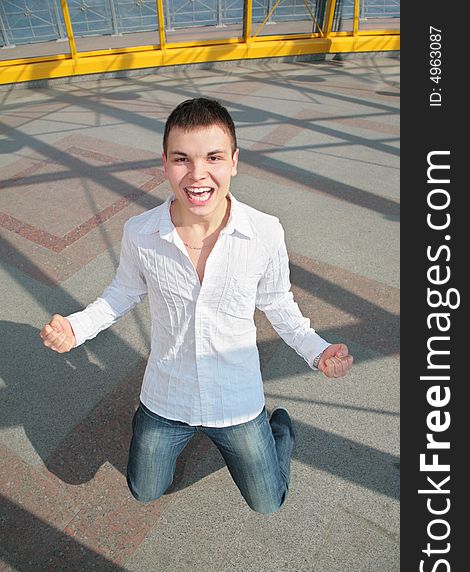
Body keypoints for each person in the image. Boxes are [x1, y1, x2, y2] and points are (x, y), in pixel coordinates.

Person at [40, 98, 353, 515]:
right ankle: (153, 431)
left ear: (234, 161)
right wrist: (75, 328)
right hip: (168, 396)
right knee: (145, 490)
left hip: (237, 399)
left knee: (268, 501)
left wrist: (318, 351)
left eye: (214, 157)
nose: (197, 173)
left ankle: (279, 431)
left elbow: (278, 303)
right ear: (165, 163)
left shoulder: (264, 232)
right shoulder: (141, 232)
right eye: (182, 159)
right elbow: (122, 294)